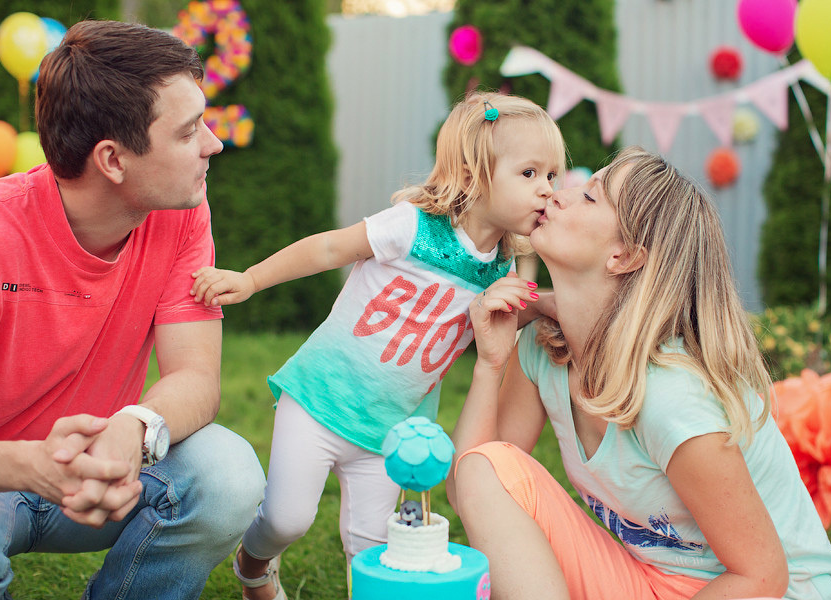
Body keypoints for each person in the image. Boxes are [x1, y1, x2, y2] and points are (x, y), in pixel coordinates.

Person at [189, 91, 565, 600]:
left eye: (552, 177)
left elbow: (508, 320)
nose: (547, 191)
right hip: (320, 400)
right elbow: (328, 247)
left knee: (369, 549)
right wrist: (251, 280)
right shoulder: (412, 225)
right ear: (477, 173)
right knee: (286, 519)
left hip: (391, 433)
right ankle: (254, 563)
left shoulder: (502, 269)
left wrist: (549, 307)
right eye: (530, 174)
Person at [447, 146, 831, 600]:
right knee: (488, 467)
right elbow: (473, 493)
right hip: (652, 582)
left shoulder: (671, 398)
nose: (559, 194)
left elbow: (762, 578)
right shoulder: (545, 349)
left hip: (765, 593)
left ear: (625, 256)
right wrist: (490, 363)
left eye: (591, 197)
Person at [0, 20, 266, 600]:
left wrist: (134, 429)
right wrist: (34, 465)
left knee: (227, 473)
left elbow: (195, 377)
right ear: (113, 160)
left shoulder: (183, 213)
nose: (213, 144)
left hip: (107, 474)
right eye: (189, 132)